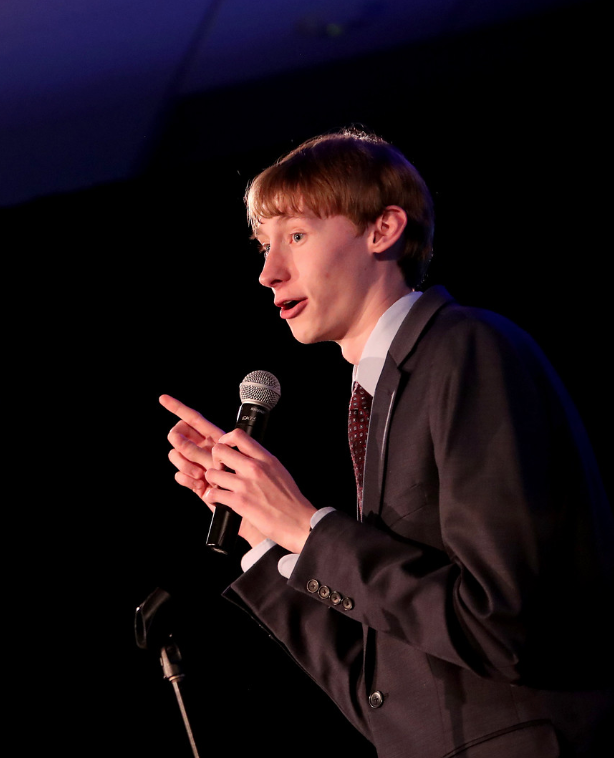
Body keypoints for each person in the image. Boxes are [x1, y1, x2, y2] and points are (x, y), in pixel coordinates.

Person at [161, 129, 614, 757]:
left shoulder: (464, 350)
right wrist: (263, 531)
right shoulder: (380, 399)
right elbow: (388, 705)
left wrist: (308, 529)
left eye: (296, 236)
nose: (268, 272)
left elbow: (503, 624)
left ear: (383, 230)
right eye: (264, 246)